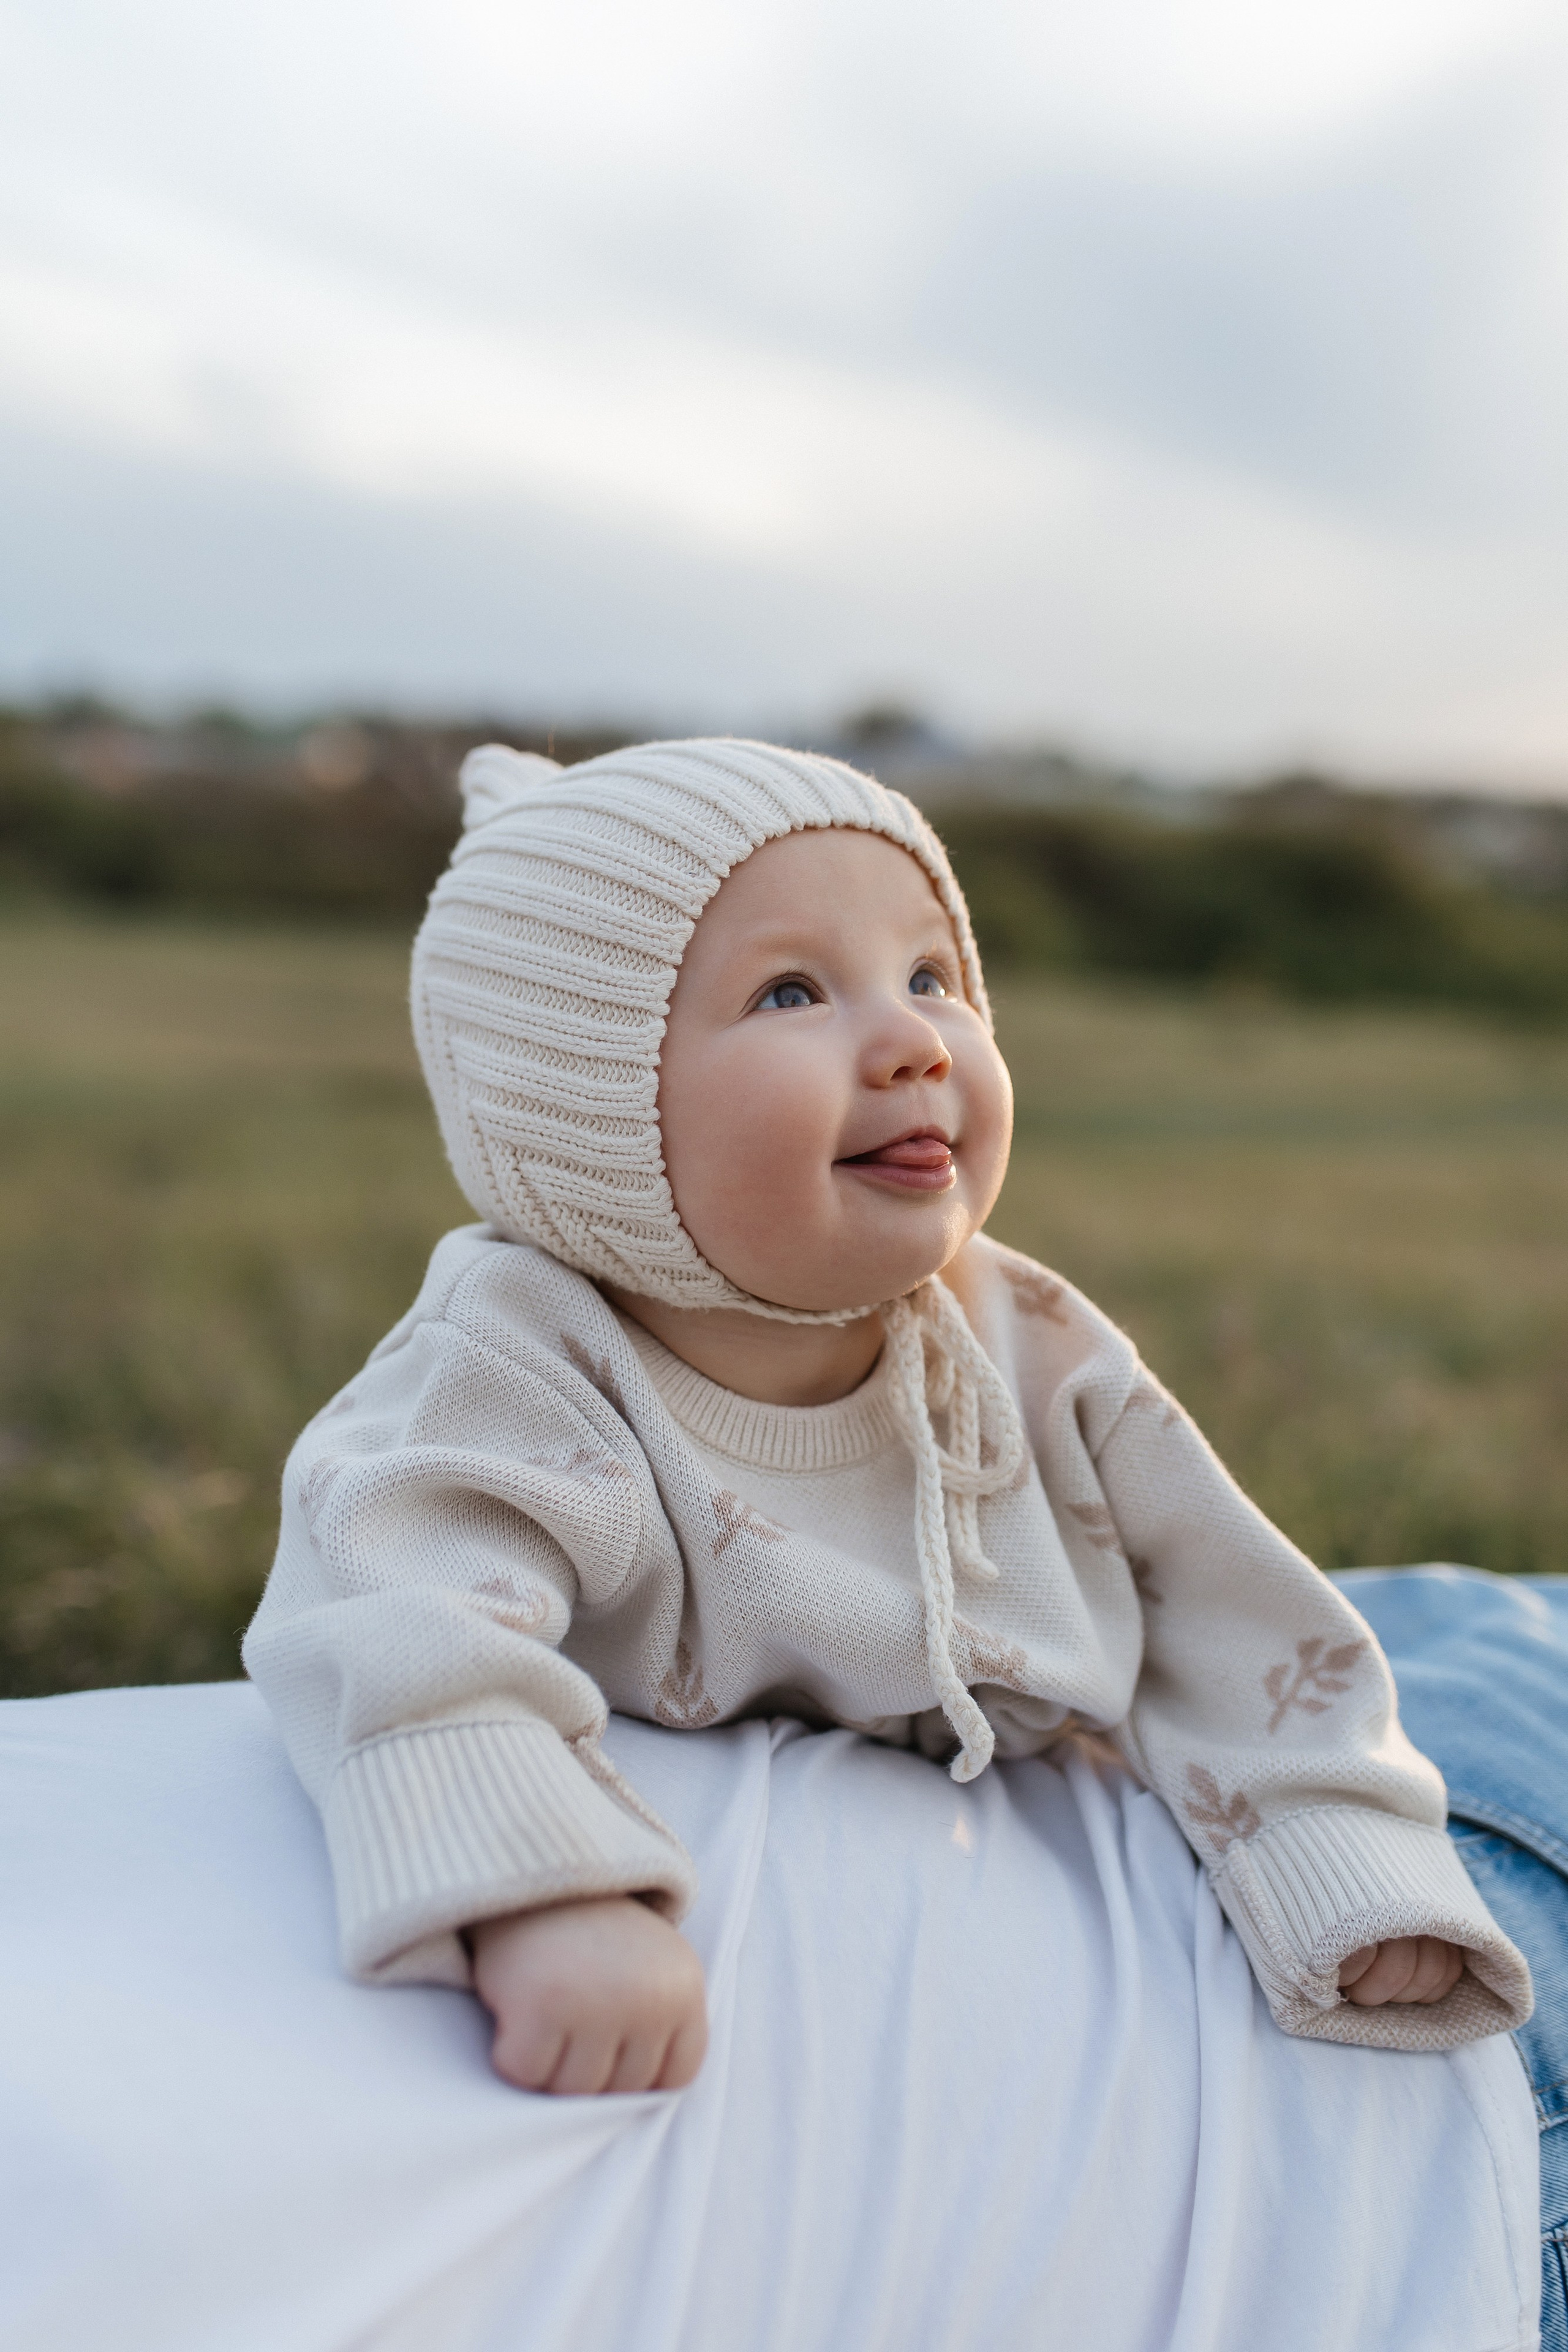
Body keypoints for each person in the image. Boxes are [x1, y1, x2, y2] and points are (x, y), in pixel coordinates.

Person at [244, 736, 1530, 2105]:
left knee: (1480, 1660)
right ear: (577, 1104)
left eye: (931, 977)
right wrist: (538, 1895)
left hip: (1061, 1810)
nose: (916, 1041)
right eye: (791, 991)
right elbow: (394, 1613)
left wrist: (1333, 1848)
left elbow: (1219, 1608)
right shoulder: (522, 1355)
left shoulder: (1017, 1339)